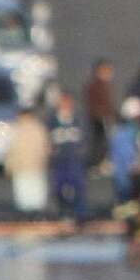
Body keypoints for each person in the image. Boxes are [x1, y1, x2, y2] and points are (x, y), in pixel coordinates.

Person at [48, 90, 90, 225]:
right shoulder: (52, 121)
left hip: (74, 158)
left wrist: (82, 151)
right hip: (59, 159)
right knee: (59, 187)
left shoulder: (78, 120)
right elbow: (47, 139)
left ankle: (80, 213)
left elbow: (85, 137)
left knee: (78, 186)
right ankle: (63, 212)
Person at [4, 106, 50, 218]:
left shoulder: (35, 129)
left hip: (30, 166)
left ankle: (33, 215)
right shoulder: (35, 128)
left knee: (31, 192)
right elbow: (11, 150)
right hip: (26, 167)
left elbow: (45, 147)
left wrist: (9, 165)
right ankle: (31, 215)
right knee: (27, 192)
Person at [109, 97, 140, 203]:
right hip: (127, 180)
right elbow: (128, 159)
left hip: (125, 178)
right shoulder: (124, 135)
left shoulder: (122, 133)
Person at [81, 59, 116, 169]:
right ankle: (97, 163)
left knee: (101, 141)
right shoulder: (97, 86)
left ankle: (99, 162)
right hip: (99, 119)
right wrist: (106, 114)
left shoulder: (102, 85)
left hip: (100, 118)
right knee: (100, 142)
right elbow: (98, 105)